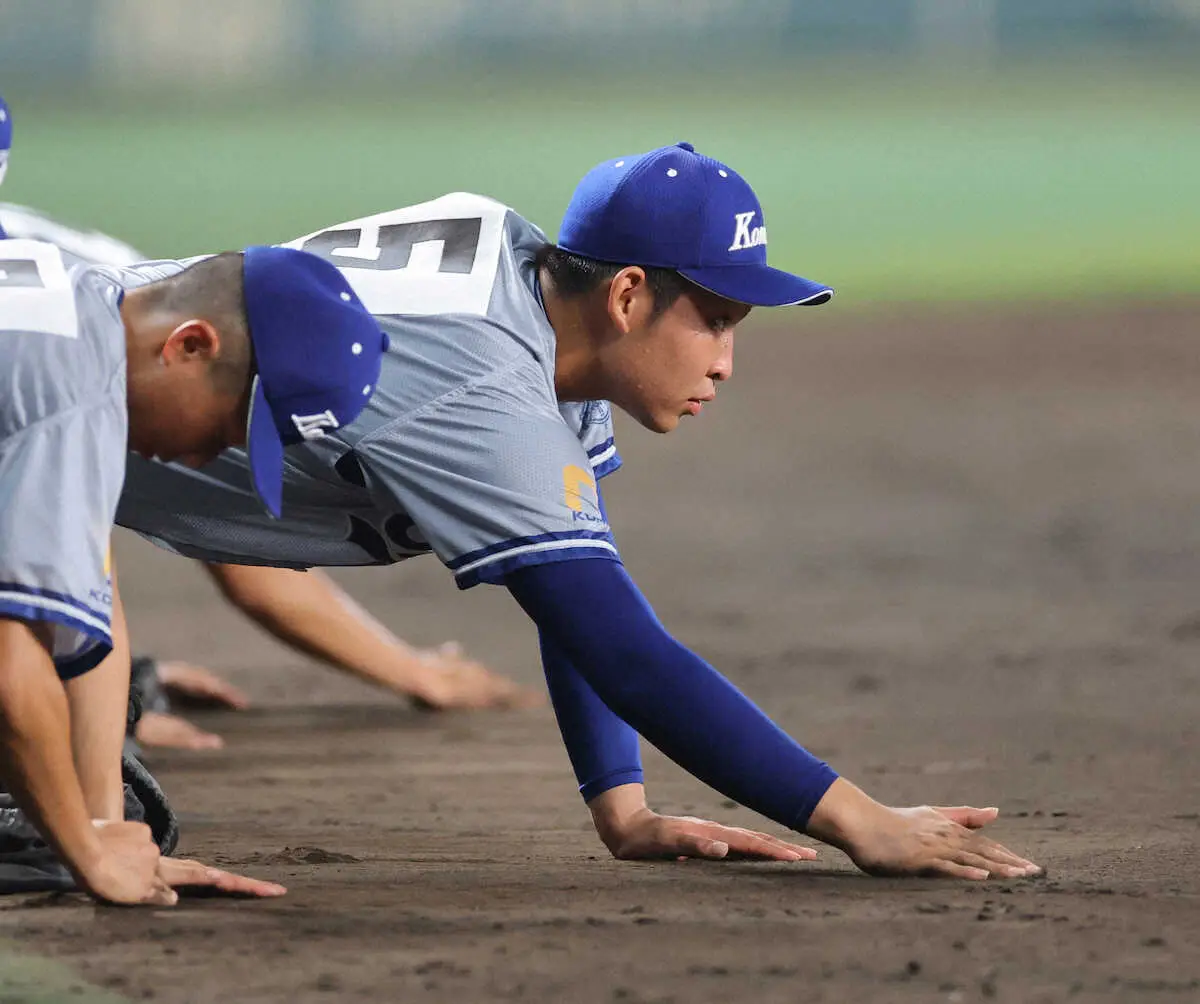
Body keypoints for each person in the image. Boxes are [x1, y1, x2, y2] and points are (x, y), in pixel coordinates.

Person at [116, 141, 1042, 880]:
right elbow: (624, 652)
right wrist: (860, 821)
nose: (725, 361)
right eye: (714, 319)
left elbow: (573, 589)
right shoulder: (489, 387)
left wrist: (622, 804)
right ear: (629, 294)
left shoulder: (543, 301)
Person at [0, 223, 389, 903]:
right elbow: (8, 669)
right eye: (225, 425)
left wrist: (99, 820)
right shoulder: (71, 392)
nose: (204, 457)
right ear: (188, 345)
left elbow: (87, 587)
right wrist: (89, 854)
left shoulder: (79, 303)